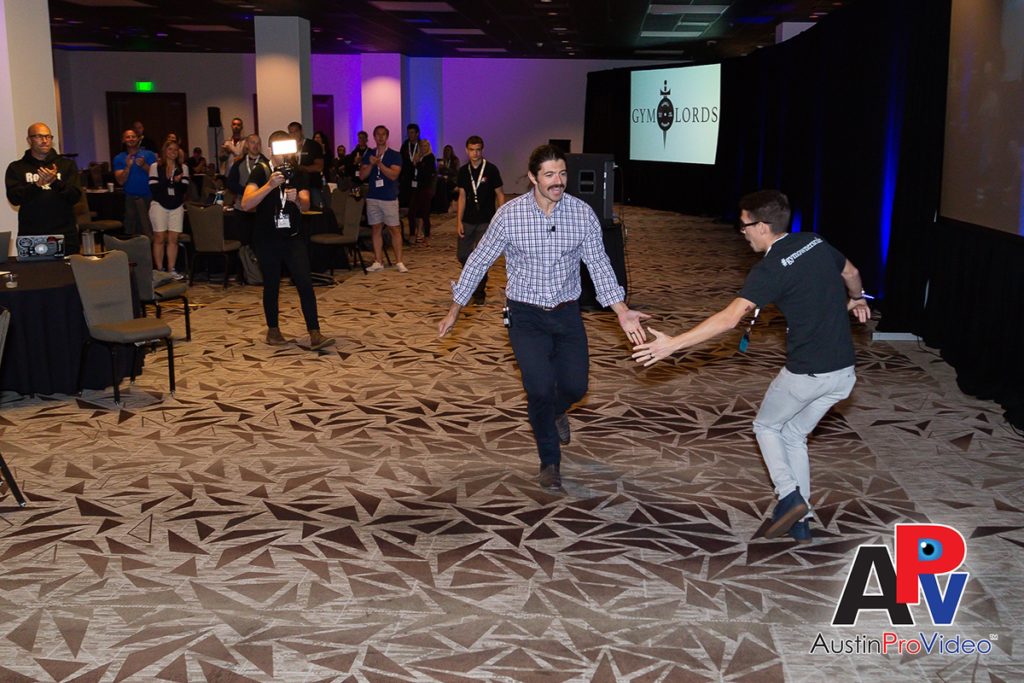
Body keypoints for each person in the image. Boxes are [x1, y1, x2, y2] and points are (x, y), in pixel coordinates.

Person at [632, 190, 871, 544]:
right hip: (843, 374)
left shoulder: (770, 269)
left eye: (743, 225)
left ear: (761, 226)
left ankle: (789, 496)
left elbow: (729, 319)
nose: (741, 232)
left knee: (766, 426)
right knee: (793, 434)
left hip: (807, 373)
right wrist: (857, 297)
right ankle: (799, 520)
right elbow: (851, 271)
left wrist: (672, 344)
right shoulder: (814, 241)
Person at [438, 144, 649, 491]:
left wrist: (622, 311)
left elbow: (599, 266)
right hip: (525, 315)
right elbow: (479, 260)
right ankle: (550, 461)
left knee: (575, 387)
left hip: (567, 313)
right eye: (550, 175)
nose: (558, 181)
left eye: (562, 173)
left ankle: (556, 410)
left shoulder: (582, 214)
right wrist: (455, 308)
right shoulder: (510, 216)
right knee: (537, 388)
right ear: (533, 178)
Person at [241, 130, 335, 351]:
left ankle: (315, 333)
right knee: (272, 284)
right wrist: (269, 186)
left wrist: (295, 201)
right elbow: (246, 203)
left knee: (304, 282)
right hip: (267, 238)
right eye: (279, 149)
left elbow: (306, 204)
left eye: (287, 148)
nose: (283, 155)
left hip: (293, 237)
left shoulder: (298, 172)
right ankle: (273, 331)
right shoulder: (261, 171)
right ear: (270, 150)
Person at [5, 122, 82, 253]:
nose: (45, 140)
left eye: (48, 137)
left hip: (65, 235)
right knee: (34, 273)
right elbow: (14, 198)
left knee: (66, 273)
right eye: (39, 136)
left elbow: (75, 196)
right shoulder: (16, 167)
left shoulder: (66, 165)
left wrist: (55, 182)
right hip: (31, 235)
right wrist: (36, 185)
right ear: (29, 140)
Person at [455, 135, 505, 305]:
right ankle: (473, 280)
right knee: (462, 255)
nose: (475, 153)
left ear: (482, 150)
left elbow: (499, 194)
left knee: (481, 257)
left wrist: (501, 216)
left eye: (478, 150)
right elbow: (461, 197)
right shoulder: (463, 171)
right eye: (471, 150)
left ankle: (479, 291)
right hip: (467, 220)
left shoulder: (491, 169)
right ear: (466, 151)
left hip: (486, 220)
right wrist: (458, 221)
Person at [359, 125, 407, 273]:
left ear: (387, 136)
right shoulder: (369, 154)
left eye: (383, 134)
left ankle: (399, 261)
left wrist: (379, 163)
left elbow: (393, 175)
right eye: (378, 134)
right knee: (376, 228)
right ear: (374, 137)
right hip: (373, 197)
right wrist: (372, 165)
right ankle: (378, 261)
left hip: (389, 197)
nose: (380, 137)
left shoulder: (394, 155)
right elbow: (362, 176)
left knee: (394, 229)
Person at [148, 139, 190, 277]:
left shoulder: (183, 168)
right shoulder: (155, 166)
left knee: (173, 238)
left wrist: (176, 182)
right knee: (159, 237)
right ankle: (159, 270)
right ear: (165, 151)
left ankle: (171, 269)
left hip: (176, 205)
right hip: (159, 204)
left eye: (175, 149)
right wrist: (168, 179)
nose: (173, 152)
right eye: (170, 149)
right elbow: (154, 187)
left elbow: (183, 188)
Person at [113, 128, 158, 235]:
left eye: (133, 136)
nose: (131, 139)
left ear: (138, 139)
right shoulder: (119, 158)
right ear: (123, 140)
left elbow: (157, 175)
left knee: (150, 230)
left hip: (149, 197)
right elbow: (120, 181)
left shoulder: (149, 155)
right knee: (131, 231)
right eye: (128, 137)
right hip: (131, 199)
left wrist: (144, 165)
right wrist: (128, 167)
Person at [287, 122, 324, 208]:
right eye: (290, 132)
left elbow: (319, 167)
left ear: (301, 131)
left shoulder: (313, 145)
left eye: (295, 131)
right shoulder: (288, 147)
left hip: (312, 185)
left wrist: (301, 168)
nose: (293, 134)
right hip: (295, 186)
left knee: (316, 212)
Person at [408, 139, 437, 246]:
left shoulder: (430, 158)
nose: (424, 148)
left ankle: (427, 235)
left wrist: (418, 164)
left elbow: (427, 173)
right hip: (416, 188)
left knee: (425, 213)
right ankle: (412, 234)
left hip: (425, 189)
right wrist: (415, 163)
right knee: (412, 212)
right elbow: (412, 172)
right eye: (422, 146)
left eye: (426, 146)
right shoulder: (417, 156)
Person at [227, 134, 268, 208]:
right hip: (242, 207)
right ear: (246, 145)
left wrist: (259, 192)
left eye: (258, 143)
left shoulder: (267, 163)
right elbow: (231, 183)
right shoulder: (238, 163)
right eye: (253, 142)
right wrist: (246, 191)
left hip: (262, 208)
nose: (256, 145)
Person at [398, 123, 421, 210]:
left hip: (417, 175)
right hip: (406, 175)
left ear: (417, 133)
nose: (410, 135)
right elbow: (401, 160)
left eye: (412, 132)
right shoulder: (405, 146)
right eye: (409, 133)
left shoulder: (421, 145)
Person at [436, 144, 459, 212]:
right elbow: (439, 172)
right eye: (445, 151)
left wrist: (446, 168)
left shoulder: (455, 160)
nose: (447, 152)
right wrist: (439, 168)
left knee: (447, 184)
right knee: (440, 184)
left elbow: (456, 172)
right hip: (444, 180)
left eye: (448, 151)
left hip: (452, 180)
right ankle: (441, 207)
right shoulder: (443, 160)